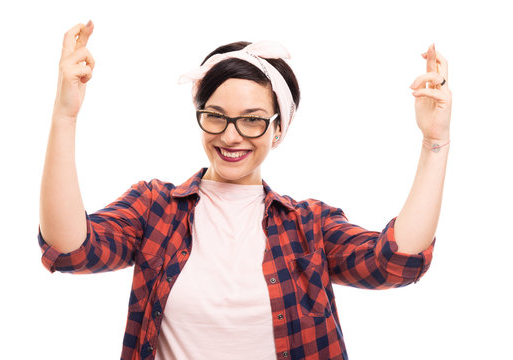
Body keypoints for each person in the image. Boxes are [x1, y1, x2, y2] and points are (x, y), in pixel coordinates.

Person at [38, 20, 451, 360]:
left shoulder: (310, 226)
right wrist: (65, 114)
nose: (231, 136)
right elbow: (71, 249)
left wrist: (435, 143)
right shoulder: (154, 208)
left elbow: (397, 262)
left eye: (252, 120)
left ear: (277, 129)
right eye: (216, 116)